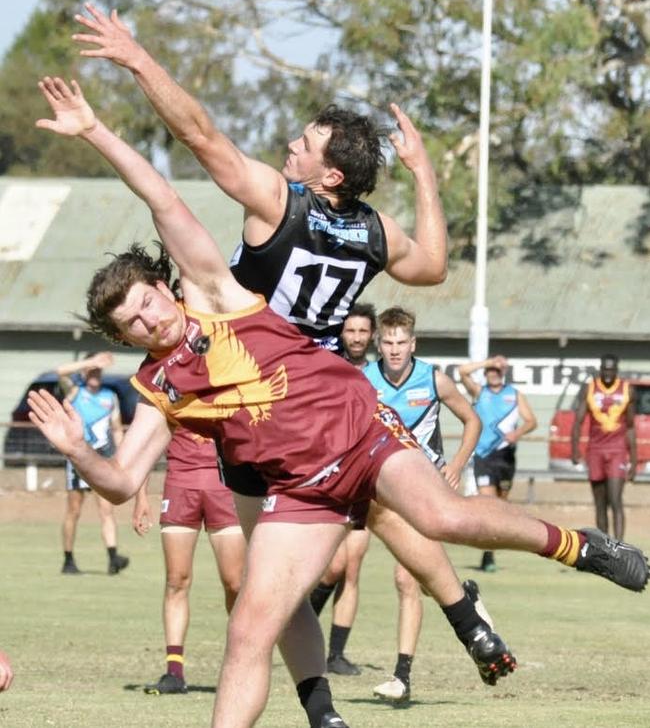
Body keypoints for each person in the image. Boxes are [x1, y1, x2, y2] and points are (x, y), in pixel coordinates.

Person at [29, 77, 649, 728]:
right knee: (248, 629)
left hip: (353, 428)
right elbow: (122, 478)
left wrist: (96, 128)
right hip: (295, 486)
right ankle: (328, 706)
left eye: (149, 301)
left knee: (443, 519)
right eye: (132, 323)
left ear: (166, 284)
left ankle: (580, 549)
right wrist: (75, 448)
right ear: (122, 337)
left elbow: (163, 187)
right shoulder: (158, 386)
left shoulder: (217, 293)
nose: (148, 320)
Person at [71, 4, 521, 694]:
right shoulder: (373, 230)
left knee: (267, 571)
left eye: (305, 142)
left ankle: (320, 675)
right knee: (391, 505)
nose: (291, 145)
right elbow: (431, 264)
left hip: (243, 381)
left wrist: (137, 60)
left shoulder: (281, 204)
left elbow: (198, 134)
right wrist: (424, 171)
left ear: (329, 173)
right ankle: (465, 616)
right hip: (326, 386)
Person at [366, 306, 482, 703]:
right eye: (388, 343)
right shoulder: (363, 380)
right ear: (378, 343)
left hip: (426, 491)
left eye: (402, 343)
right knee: (424, 578)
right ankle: (463, 595)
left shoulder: (433, 378)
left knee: (405, 578)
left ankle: (402, 677)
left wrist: (457, 464)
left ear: (413, 344)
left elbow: (473, 421)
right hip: (383, 493)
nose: (395, 350)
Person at [132, 426, 246, 695]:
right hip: (180, 487)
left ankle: (241, 664)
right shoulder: (170, 387)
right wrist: (141, 497)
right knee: (176, 580)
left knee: (235, 584)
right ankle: (174, 672)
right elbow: (149, 443)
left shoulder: (231, 386)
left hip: (226, 489)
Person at [310, 304, 376, 676]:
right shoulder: (327, 368)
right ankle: (299, 631)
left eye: (362, 331)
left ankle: (335, 654)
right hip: (327, 479)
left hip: (364, 483)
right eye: (350, 331)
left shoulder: (379, 376)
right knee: (331, 567)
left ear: (371, 336)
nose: (355, 337)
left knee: (351, 567)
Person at [459, 355, 537, 573]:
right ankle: (487, 555)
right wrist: (489, 362)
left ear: (503, 374)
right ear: (486, 373)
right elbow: (462, 371)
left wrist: (518, 432)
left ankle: (491, 548)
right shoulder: (479, 392)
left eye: (498, 371)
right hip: (484, 455)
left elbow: (531, 420)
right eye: (491, 371)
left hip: (505, 457)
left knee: (501, 506)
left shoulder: (514, 395)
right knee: (488, 504)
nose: (494, 373)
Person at [56, 351, 129, 575]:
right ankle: (68, 559)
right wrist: (90, 362)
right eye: (92, 370)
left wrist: (122, 457)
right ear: (85, 371)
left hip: (103, 460)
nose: (96, 373)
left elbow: (116, 429)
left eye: (99, 369)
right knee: (74, 510)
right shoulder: (75, 391)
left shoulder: (109, 396)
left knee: (106, 510)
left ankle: (113, 557)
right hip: (78, 459)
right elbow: (60, 372)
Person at [571, 354, 637, 539]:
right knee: (600, 503)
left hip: (617, 451)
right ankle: (605, 548)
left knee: (615, 500)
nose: (607, 373)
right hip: (595, 451)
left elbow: (631, 427)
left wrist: (633, 460)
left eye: (611, 369)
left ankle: (620, 549)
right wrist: (574, 448)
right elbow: (578, 421)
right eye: (604, 369)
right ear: (600, 369)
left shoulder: (627, 390)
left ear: (616, 370)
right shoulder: (589, 388)